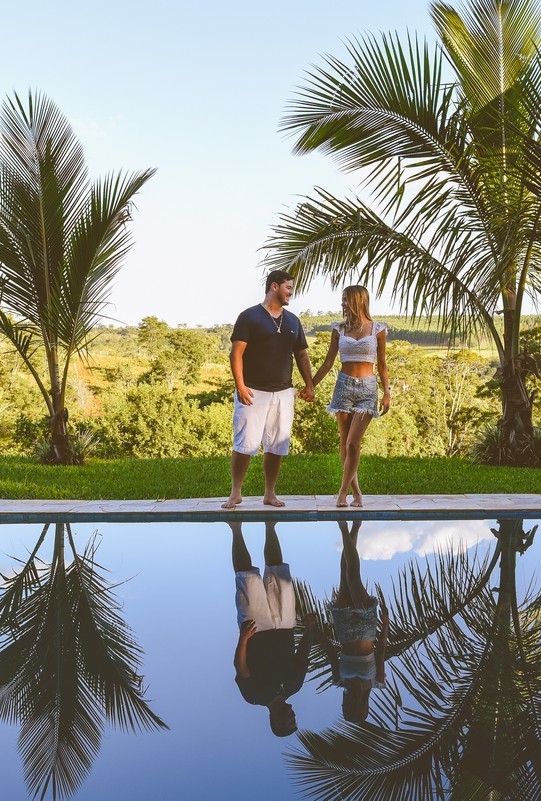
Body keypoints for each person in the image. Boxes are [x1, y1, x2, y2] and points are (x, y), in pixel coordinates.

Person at [224, 269, 315, 509]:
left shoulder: (293, 320)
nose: (291, 293)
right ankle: (235, 492)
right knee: (245, 444)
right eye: (288, 288)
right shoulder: (249, 316)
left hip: (284, 393)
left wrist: (309, 384)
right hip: (253, 392)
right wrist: (240, 386)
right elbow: (236, 354)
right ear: (274, 286)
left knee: (277, 445)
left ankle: (269, 493)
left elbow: (302, 354)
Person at [229, 520, 314, 737]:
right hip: (285, 625)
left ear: (274, 721)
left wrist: (244, 638)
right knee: (278, 569)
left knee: (246, 577)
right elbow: (302, 656)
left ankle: (236, 528)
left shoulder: (254, 696)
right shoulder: (294, 686)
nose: (293, 717)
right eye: (294, 720)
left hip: (255, 630)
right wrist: (310, 630)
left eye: (289, 721)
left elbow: (241, 668)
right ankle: (270, 524)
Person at [310, 285, 391, 507]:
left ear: (358, 301)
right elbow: (328, 362)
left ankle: (343, 492)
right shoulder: (338, 329)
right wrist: (311, 385)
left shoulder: (377, 329)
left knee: (353, 444)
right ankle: (356, 493)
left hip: (368, 389)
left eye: (346, 299)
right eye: (342, 299)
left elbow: (382, 364)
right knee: (344, 443)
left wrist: (387, 393)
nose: (342, 303)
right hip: (343, 386)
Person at [309, 520, 389, 724]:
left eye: (346, 709)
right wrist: (386, 624)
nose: (348, 705)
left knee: (345, 576)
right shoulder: (375, 682)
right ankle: (345, 528)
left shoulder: (340, 681)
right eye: (353, 709)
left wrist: (314, 630)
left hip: (344, 628)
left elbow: (330, 651)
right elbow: (380, 651)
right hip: (365, 628)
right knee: (353, 577)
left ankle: (355, 528)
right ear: (362, 707)